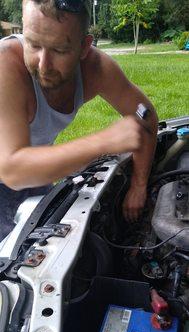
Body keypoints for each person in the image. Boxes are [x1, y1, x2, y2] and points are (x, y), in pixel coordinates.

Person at [0, 0, 158, 241]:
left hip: (34, 165)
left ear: (84, 47)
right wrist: (102, 142)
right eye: (33, 44)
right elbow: (12, 170)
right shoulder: (6, 67)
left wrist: (138, 185)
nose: (43, 65)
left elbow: (144, 114)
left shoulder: (96, 69)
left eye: (60, 50)